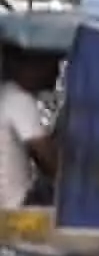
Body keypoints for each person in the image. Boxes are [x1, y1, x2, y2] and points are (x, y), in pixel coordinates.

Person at [0, 46, 59, 208]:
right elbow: (50, 163)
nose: (55, 73)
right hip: (15, 205)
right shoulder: (19, 99)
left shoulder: (5, 94)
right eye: (51, 64)